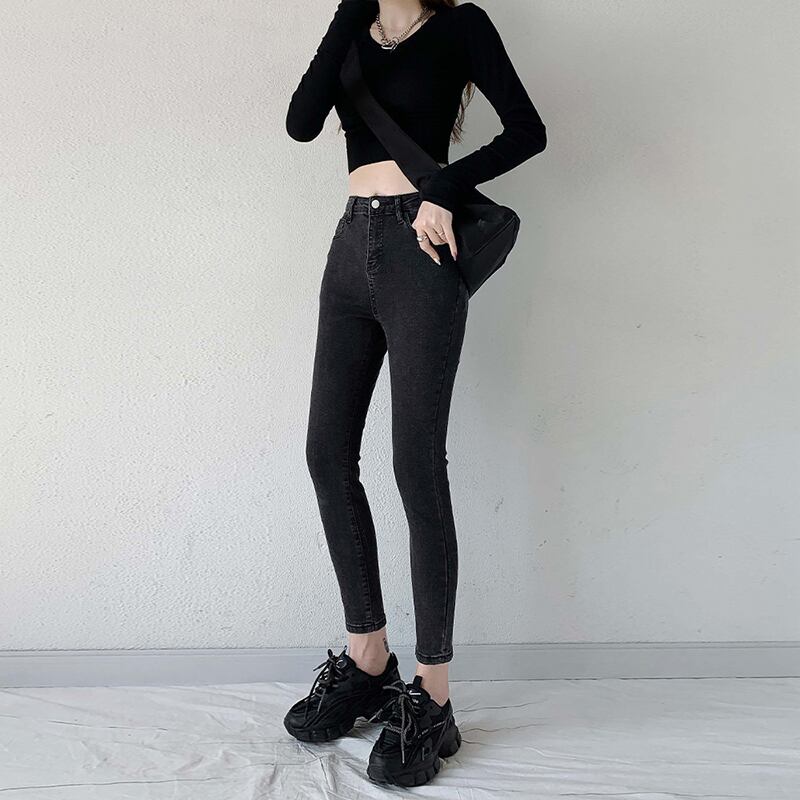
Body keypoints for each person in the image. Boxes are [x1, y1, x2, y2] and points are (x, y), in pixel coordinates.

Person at [282, 0, 546, 787]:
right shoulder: (353, 32)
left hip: (421, 248)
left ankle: (433, 697)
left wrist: (446, 186)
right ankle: (369, 660)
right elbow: (300, 123)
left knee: (415, 466)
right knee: (327, 454)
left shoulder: (463, 26)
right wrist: (348, 11)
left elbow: (528, 131)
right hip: (348, 248)